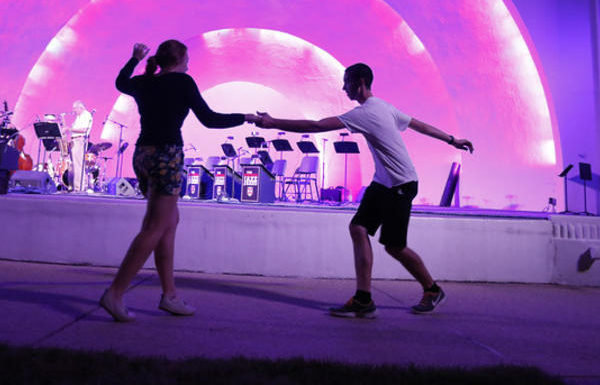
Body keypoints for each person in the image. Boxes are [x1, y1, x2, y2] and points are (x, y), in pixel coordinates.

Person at [255, 63, 473, 318]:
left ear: (359, 82)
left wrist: (272, 123)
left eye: (346, 81)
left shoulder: (366, 113)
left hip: (401, 184)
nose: (343, 87)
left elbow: (315, 126)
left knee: (394, 246)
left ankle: (432, 290)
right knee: (358, 228)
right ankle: (363, 299)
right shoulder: (383, 107)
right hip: (383, 182)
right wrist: (451, 139)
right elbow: (418, 125)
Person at [100, 40, 258, 322]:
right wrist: (244, 117)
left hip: (143, 155)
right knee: (154, 226)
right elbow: (209, 119)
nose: (189, 62)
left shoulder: (145, 82)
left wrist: (134, 57)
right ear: (181, 59)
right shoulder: (183, 82)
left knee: (168, 222)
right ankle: (115, 293)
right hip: (166, 155)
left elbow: (120, 82)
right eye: (187, 57)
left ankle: (169, 295)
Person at [66, 101, 93, 193]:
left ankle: (79, 188)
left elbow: (84, 129)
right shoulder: (79, 117)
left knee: (78, 165)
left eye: (75, 108)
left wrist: (69, 129)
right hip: (75, 140)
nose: (73, 110)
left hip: (80, 140)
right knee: (75, 165)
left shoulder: (86, 115)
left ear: (80, 108)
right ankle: (77, 187)